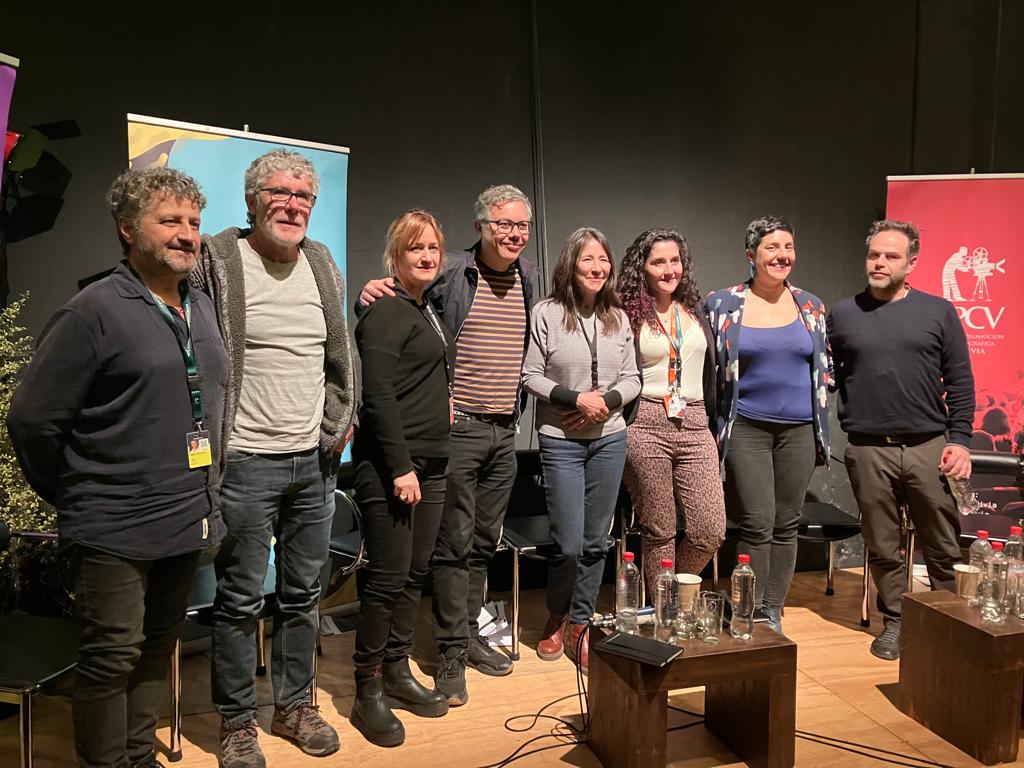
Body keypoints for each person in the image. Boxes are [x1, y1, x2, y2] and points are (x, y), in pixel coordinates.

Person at [7, 167, 227, 768]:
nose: (187, 234)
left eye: (194, 222)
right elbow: (31, 421)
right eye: (170, 220)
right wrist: (78, 491)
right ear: (129, 229)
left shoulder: (201, 306)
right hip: (113, 523)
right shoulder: (92, 311)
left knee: (157, 646)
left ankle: (139, 756)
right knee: (112, 656)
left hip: (185, 513)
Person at [193, 149, 355, 766]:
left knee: (303, 594)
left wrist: (339, 419)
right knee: (238, 600)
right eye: (279, 193)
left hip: (313, 462)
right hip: (245, 461)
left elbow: (338, 351)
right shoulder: (218, 258)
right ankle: (237, 723)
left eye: (303, 196)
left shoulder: (322, 262)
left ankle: (294, 706)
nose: (292, 205)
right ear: (252, 200)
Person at [358, 184, 535, 705]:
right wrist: (368, 291)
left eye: (522, 225)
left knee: (482, 544)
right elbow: (396, 306)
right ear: (480, 227)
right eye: (503, 224)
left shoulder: (529, 278)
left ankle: (470, 635)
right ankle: (450, 653)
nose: (513, 234)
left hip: (505, 431)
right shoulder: (453, 271)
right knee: (452, 547)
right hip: (458, 431)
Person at [828, 219, 973, 660]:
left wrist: (960, 441)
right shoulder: (842, 314)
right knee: (882, 545)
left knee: (943, 543)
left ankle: (948, 623)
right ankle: (896, 623)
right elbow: (829, 375)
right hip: (867, 447)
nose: (880, 262)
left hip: (929, 446)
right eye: (874, 254)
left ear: (911, 263)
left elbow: (960, 381)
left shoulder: (938, 311)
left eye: (891, 256)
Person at [349, 210, 453, 746]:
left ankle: (396, 670)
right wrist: (401, 467)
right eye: (416, 248)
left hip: (431, 464)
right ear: (395, 254)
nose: (427, 256)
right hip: (394, 467)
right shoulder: (386, 309)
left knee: (414, 576)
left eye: (433, 247)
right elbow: (378, 395)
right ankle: (366, 690)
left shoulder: (423, 307)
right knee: (387, 580)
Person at [521, 227, 640, 672]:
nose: (597, 267)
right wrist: (575, 400)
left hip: (609, 438)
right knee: (568, 544)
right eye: (588, 259)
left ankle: (581, 623)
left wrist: (603, 403)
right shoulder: (547, 313)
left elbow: (632, 378)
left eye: (603, 259)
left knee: (595, 541)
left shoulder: (618, 317)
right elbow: (530, 375)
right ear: (570, 264)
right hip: (561, 441)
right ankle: (557, 613)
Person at [705, 216, 831, 633]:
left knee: (786, 522)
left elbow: (824, 365)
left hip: (799, 430)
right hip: (747, 428)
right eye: (772, 248)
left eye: (788, 247)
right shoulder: (723, 304)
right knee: (757, 522)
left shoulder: (810, 306)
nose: (782, 255)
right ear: (751, 254)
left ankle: (772, 609)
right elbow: (708, 366)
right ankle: (750, 608)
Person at [617, 228, 725, 596]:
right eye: (658, 262)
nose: (669, 270)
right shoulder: (627, 313)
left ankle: (671, 596)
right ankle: (667, 613)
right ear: (642, 268)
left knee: (710, 531)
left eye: (675, 260)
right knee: (660, 528)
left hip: (694, 421)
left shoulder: (695, 308)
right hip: (645, 423)